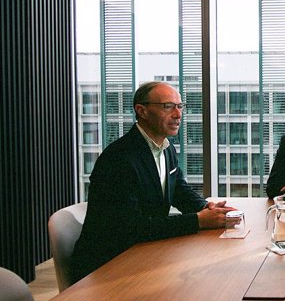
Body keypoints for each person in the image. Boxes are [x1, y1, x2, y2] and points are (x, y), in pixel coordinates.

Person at [71, 81, 234, 283]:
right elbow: (132, 228)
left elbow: (178, 189)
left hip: (144, 253)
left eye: (180, 106)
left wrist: (206, 207)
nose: (178, 114)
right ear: (142, 111)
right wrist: (198, 220)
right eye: (168, 106)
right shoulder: (119, 159)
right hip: (107, 267)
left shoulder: (166, 147)